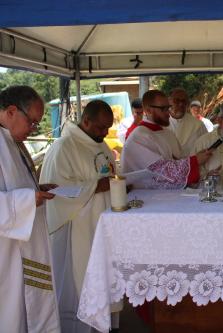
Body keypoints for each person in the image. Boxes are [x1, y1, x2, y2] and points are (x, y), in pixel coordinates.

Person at [40, 100, 120, 332]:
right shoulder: (64, 146)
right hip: (78, 227)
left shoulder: (101, 145)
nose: (104, 133)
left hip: (101, 222)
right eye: (100, 128)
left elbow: (109, 175)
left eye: (107, 128)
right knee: (81, 280)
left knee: (102, 276)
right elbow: (57, 189)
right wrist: (96, 186)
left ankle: (102, 323)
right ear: (85, 121)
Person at [0, 85, 60, 332]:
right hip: (6, 252)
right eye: (32, 122)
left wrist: (35, 188)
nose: (33, 129)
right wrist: (27, 200)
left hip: (24, 243)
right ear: (12, 111)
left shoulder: (11, 139)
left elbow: (14, 183)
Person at [121, 90, 212, 188]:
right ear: (148, 110)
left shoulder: (167, 133)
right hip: (144, 197)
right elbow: (162, 170)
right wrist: (195, 160)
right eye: (163, 109)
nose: (168, 113)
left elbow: (177, 160)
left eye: (168, 108)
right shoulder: (139, 137)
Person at [168, 88, 208, 157]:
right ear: (168, 101)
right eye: (176, 100)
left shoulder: (198, 125)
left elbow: (206, 148)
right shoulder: (159, 123)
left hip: (192, 165)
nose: (181, 104)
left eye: (184, 101)